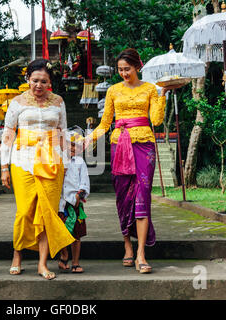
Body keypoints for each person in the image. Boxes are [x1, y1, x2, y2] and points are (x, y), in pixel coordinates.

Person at [84, 48, 177, 274]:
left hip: (144, 145)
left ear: (138, 67)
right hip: (119, 145)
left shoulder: (150, 89)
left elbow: (154, 119)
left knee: (143, 195)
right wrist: (89, 139)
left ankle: (141, 253)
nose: (124, 73)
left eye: (127, 69)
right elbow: (105, 123)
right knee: (124, 196)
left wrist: (162, 95)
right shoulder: (114, 90)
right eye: (120, 70)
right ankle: (127, 245)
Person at [0, 58, 75, 280]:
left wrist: (68, 164)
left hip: (52, 162)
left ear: (50, 82)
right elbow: (8, 134)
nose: (39, 86)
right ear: (27, 79)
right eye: (34, 81)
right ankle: (17, 255)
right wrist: (4, 166)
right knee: (24, 212)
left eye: (43, 81)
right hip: (22, 160)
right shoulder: (17, 102)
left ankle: (42, 263)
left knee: (46, 213)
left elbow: (63, 132)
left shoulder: (58, 101)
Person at [57, 129, 90, 274]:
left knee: (76, 235)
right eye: (69, 144)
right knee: (60, 232)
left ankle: (75, 262)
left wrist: (79, 195)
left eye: (75, 145)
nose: (72, 148)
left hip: (75, 202)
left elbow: (85, 181)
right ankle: (64, 255)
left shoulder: (80, 162)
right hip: (60, 204)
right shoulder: (57, 160)